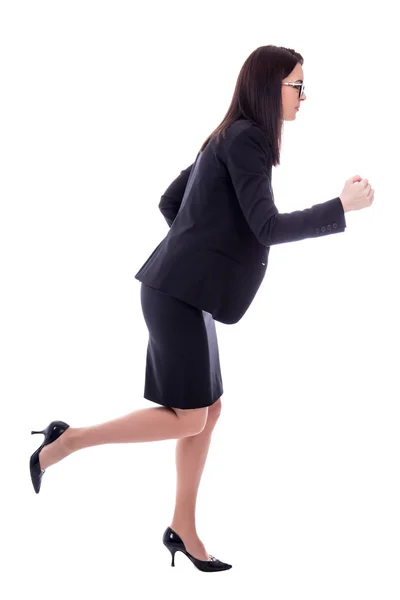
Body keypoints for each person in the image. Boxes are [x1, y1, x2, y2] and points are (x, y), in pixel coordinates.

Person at [29, 44, 374, 572]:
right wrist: (340, 208)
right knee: (190, 417)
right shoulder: (248, 138)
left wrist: (201, 260)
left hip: (186, 294)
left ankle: (182, 527)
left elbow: (172, 203)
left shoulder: (228, 135)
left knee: (208, 412)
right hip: (177, 296)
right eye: (297, 85)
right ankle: (68, 440)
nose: (304, 96)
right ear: (269, 87)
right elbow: (267, 227)